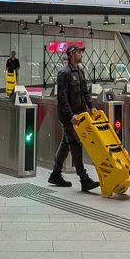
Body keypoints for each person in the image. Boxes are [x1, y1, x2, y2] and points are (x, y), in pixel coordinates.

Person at [48, 44, 100, 192]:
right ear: (72, 54)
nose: (81, 54)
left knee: (66, 143)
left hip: (80, 115)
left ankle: (55, 174)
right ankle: (84, 179)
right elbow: (62, 97)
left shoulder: (80, 71)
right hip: (68, 116)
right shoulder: (64, 73)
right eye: (78, 52)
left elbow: (85, 92)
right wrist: (70, 116)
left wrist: (92, 106)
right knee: (75, 143)